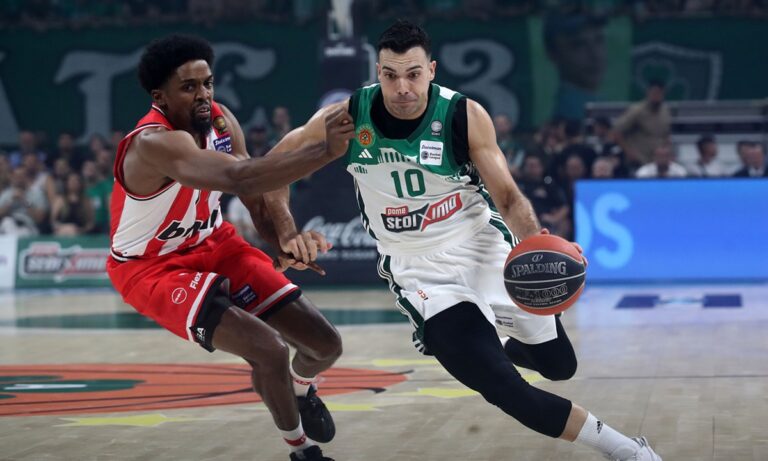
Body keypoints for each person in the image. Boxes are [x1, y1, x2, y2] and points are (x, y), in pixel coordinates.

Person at [260, 19, 662, 461]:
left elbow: (508, 196)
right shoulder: (348, 118)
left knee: (559, 365)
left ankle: (491, 340)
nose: (402, 87)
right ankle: (628, 450)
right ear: (378, 72)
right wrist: (287, 231)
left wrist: (537, 243)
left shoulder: (461, 115)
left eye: (413, 74)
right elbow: (272, 168)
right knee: (506, 389)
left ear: (431, 70)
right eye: (391, 75)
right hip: (421, 272)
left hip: (483, 248)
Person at [106, 35, 355, 461]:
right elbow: (242, 178)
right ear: (159, 97)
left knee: (325, 345)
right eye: (189, 87)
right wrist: (324, 151)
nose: (204, 95)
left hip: (216, 243)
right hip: (152, 268)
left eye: (208, 83)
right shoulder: (153, 143)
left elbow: (254, 196)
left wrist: (283, 239)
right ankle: (301, 450)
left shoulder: (221, 122)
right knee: (269, 350)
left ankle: (301, 391)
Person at [544, 13, 607, 121]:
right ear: (553, 54)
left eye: (599, 40)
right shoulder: (571, 117)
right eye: (579, 45)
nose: (595, 55)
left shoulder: (598, 106)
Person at [613, 79, 671, 173]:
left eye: (659, 93)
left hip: (658, 162)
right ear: (648, 93)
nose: (657, 96)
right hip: (639, 160)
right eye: (654, 93)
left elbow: (666, 134)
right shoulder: (637, 110)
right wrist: (629, 152)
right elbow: (616, 131)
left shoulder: (665, 111)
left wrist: (668, 152)